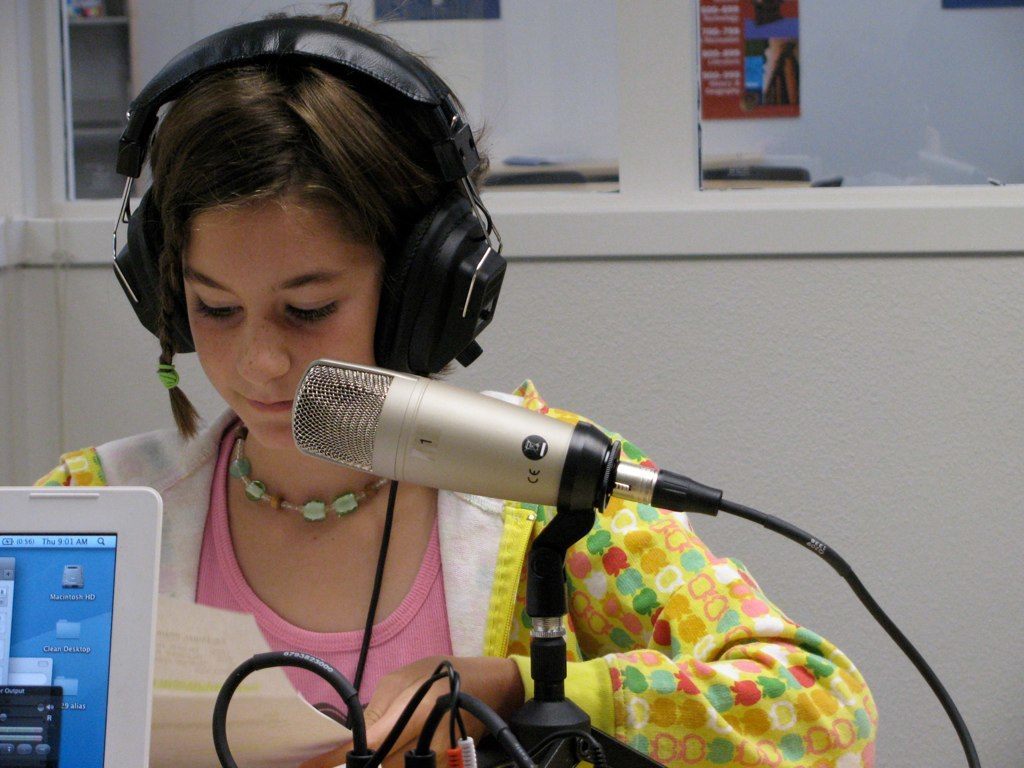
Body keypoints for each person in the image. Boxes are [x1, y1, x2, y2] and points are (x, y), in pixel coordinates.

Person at [37, 12, 876, 768]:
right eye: (215, 308)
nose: (259, 362)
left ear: (423, 291)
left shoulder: (542, 489)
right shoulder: (91, 510)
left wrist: (525, 692)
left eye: (309, 309)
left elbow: (824, 713)